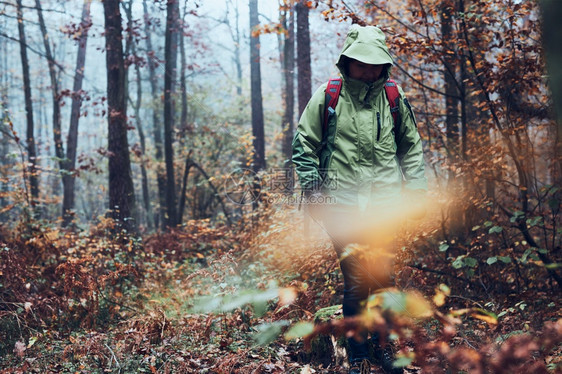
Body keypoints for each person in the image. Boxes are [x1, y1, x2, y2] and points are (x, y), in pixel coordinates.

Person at [292, 25, 427, 374]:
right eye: (360, 63)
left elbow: (410, 147)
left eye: (374, 64)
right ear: (347, 62)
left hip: (384, 205)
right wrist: (314, 190)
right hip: (342, 205)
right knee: (356, 282)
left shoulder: (394, 98)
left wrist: (416, 190)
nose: (368, 70)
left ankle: (385, 349)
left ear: (384, 65)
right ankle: (358, 357)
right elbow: (303, 146)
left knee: (383, 278)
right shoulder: (329, 96)